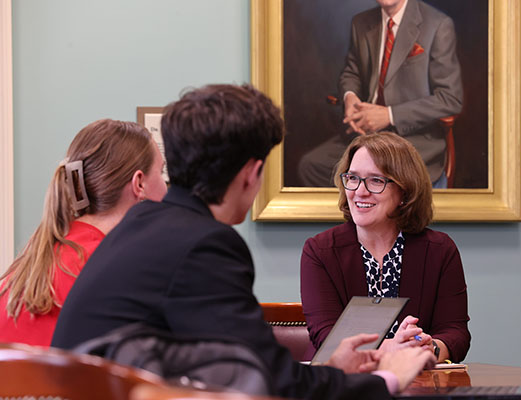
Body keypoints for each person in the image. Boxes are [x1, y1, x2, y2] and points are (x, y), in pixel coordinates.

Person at [51, 84, 435, 399]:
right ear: (252, 173)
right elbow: (271, 382)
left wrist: (333, 371)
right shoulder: (204, 244)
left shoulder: (142, 224)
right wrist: (388, 377)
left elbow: (244, 374)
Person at [301, 131, 470, 362]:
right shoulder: (320, 251)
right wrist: (388, 351)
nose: (360, 191)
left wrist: (429, 348)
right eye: (352, 178)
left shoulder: (440, 250)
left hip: (417, 386)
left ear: (405, 191)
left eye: (376, 180)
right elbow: (327, 338)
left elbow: (456, 333)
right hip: (343, 388)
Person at [0, 119, 168, 346]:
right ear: (139, 184)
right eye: (161, 171)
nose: (168, 188)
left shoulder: (30, 264)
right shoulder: (115, 267)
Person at [299, 0, 462, 188]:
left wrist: (389, 115)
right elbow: (352, 73)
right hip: (364, 136)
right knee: (310, 166)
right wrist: (349, 96)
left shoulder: (438, 25)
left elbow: (451, 99)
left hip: (413, 140)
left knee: (377, 179)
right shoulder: (361, 23)